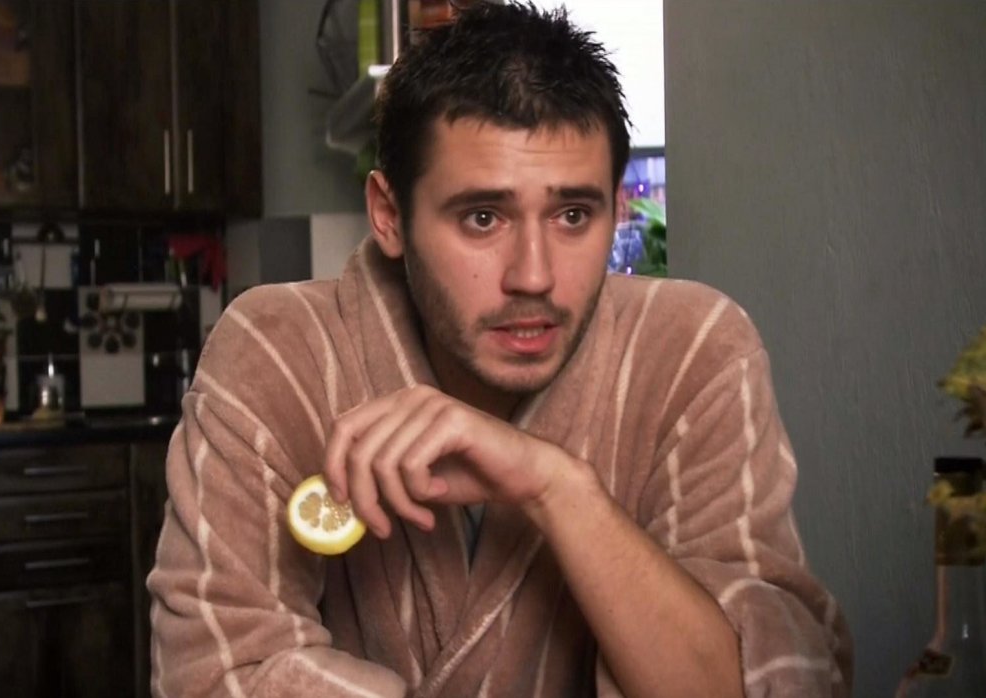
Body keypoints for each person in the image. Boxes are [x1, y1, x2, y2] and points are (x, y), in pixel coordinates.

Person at [148, 3, 852, 696]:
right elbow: (214, 673)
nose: (534, 276)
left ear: (617, 208)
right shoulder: (274, 351)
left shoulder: (695, 350)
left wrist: (556, 487)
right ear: (389, 216)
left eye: (573, 215)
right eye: (483, 217)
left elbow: (758, 682)